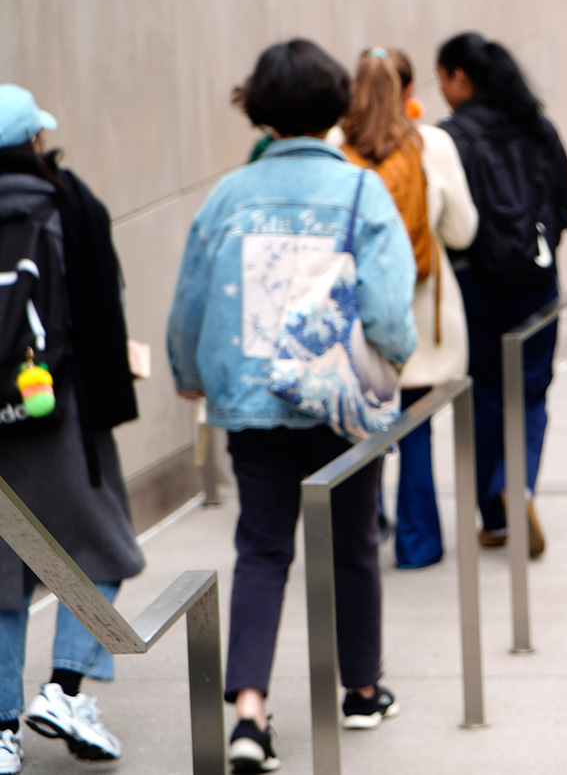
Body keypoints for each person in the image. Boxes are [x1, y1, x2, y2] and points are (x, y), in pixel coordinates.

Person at [167, 40, 417, 774]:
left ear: (260, 107)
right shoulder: (363, 193)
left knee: (262, 547)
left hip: (252, 404)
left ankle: (249, 712)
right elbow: (391, 317)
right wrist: (389, 364)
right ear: (334, 104)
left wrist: (190, 374)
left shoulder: (227, 196)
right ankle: (362, 689)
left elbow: (189, 303)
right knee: (354, 544)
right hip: (342, 403)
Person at [0, 86, 143, 772]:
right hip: (59, 417)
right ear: (34, 141)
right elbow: (103, 306)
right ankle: (64, 687)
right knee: (100, 547)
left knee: (0, 574)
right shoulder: (69, 208)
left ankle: (1, 731)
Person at [435, 33, 567, 557]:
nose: (442, 90)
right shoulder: (536, 127)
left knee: (488, 393)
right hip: (537, 281)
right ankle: (518, 486)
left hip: (476, 285)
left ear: (461, 78)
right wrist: (540, 242)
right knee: (532, 390)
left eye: (443, 78)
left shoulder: (450, 138)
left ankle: (494, 518)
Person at [338, 46, 478, 569]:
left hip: (353, 320)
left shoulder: (335, 145)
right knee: (416, 433)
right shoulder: (433, 144)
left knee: (361, 430)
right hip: (422, 317)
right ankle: (419, 545)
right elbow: (463, 231)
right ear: (409, 92)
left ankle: (363, 534)